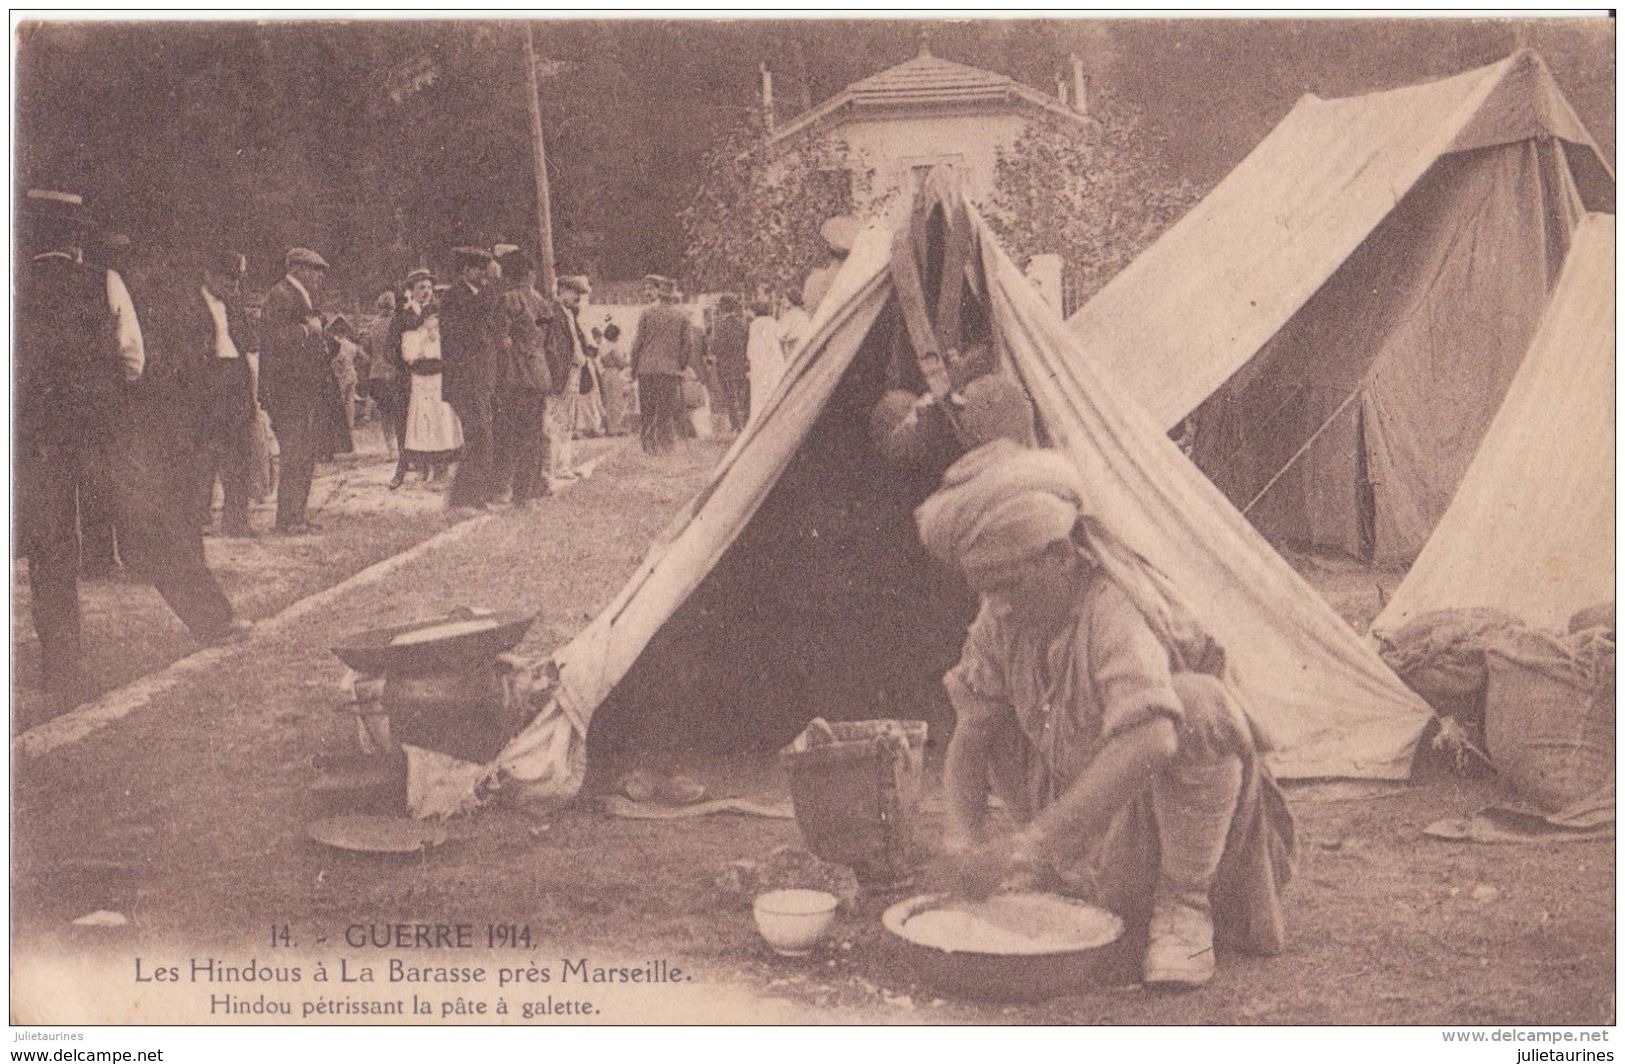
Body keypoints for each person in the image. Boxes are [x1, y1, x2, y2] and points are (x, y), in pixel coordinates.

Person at [914, 381, 1294, 990]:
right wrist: (963, 839)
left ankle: (1183, 910)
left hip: (1164, 834)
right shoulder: (1000, 620)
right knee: (987, 714)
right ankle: (1068, 889)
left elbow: (1150, 742)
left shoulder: (1112, 608)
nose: (999, 606)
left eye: (1011, 585)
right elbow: (970, 737)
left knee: (1197, 709)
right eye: (987, 590)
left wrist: (1033, 845)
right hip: (1083, 845)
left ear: (1061, 557)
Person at [16, 189, 246, 715]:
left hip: (37, 437)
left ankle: (62, 667)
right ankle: (211, 619)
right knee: (148, 525)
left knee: (52, 546)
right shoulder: (103, 280)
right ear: (76, 238)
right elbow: (133, 358)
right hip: (103, 427)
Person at [258, 247, 344, 533]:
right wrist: (309, 331)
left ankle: (297, 516)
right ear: (297, 269)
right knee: (294, 453)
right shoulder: (281, 295)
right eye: (314, 270)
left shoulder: (302, 297)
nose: (319, 276)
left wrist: (327, 342)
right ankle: (287, 519)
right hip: (287, 392)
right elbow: (273, 339)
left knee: (305, 453)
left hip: (306, 389)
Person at [179, 250, 258, 536]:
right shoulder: (190, 305)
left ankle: (237, 519)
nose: (233, 287)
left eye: (237, 282)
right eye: (228, 280)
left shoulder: (234, 305)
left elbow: (248, 340)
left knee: (238, 454)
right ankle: (198, 517)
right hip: (205, 384)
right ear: (209, 275)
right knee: (203, 455)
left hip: (234, 380)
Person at [438, 247, 504, 516]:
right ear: (466, 270)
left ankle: (474, 495)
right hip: (463, 379)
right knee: (477, 435)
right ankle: (461, 498)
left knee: (483, 436)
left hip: (481, 377)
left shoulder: (482, 296)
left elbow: (496, 326)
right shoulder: (455, 297)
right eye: (479, 268)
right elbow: (462, 334)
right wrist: (489, 295)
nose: (484, 273)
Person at [492, 248, 552, 507]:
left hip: (513, 376)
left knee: (508, 434)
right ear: (529, 274)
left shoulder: (507, 300)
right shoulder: (541, 301)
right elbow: (547, 339)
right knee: (533, 434)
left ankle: (506, 490)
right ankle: (527, 491)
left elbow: (501, 341)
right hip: (538, 374)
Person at [391, 268, 462, 482]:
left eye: (429, 287)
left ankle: (440, 467)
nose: (426, 291)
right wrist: (408, 361)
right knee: (415, 423)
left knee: (439, 419)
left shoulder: (439, 313)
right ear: (411, 291)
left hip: (437, 374)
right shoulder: (403, 316)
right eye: (421, 287)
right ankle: (412, 467)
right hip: (411, 377)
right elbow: (392, 350)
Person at [628, 277, 691, 454]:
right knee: (665, 410)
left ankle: (648, 446)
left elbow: (637, 343)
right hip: (669, 370)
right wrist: (682, 365)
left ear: (660, 295)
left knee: (647, 408)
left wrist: (633, 368)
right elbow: (687, 345)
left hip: (646, 368)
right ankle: (665, 445)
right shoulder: (683, 315)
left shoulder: (647, 313)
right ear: (673, 297)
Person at [540, 274, 593, 480]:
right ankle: (553, 467)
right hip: (561, 374)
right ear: (561, 291)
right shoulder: (552, 312)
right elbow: (551, 347)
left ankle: (563, 464)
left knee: (567, 420)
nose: (577, 297)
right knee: (556, 420)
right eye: (574, 293)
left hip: (573, 373)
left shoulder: (569, 314)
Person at [363, 291, 409, 482]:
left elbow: (366, 349)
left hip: (376, 374)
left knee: (385, 413)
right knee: (401, 413)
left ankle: (391, 449)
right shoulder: (397, 323)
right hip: (394, 373)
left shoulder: (371, 325)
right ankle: (403, 450)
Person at [708, 294, 751, 433]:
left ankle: (735, 425)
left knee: (729, 396)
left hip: (725, 367)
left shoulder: (720, 326)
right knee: (742, 395)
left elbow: (716, 348)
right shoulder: (743, 324)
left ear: (722, 308)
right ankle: (745, 421)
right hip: (740, 365)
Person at [745, 298, 787, 424]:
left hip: (759, 361)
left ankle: (758, 419)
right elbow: (780, 336)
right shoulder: (772, 322)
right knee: (773, 387)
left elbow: (752, 346)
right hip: (774, 360)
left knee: (759, 391)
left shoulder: (754, 325)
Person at [598, 322, 632, 436]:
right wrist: (629, 361)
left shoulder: (603, 347)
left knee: (608, 401)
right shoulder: (614, 347)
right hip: (614, 374)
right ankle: (615, 427)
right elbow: (621, 363)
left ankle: (609, 427)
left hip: (605, 373)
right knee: (616, 401)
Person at [575, 326, 608, 438]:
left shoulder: (591, 359)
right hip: (585, 372)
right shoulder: (588, 358)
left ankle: (591, 427)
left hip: (588, 372)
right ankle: (588, 428)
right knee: (588, 400)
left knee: (590, 400)